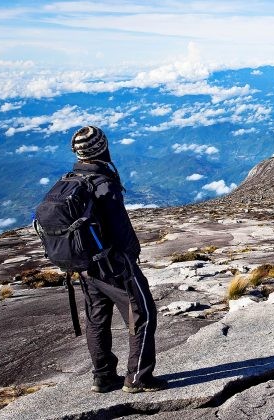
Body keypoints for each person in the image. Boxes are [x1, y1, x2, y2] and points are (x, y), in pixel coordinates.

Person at [70, 126, 167, 394]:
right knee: (143, 314)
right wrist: (131, 256)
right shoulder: (103, 184)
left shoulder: (72, 180)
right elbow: (121, 229)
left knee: (96, 319)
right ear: (102, 148)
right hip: (114, 266)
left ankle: (102, 377)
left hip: (86, 267)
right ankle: (138, 378)